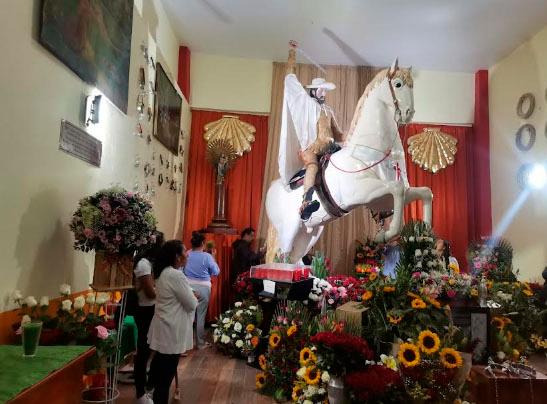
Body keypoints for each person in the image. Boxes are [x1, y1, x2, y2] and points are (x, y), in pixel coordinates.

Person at [278, 40, 344, 220]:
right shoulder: (306, 104)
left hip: (330, 147)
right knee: (313, 166)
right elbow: (291, 81)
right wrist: (292, 54)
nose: (324, 93)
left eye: (325, 91)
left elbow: (337, 133)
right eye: (321, 90)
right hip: (311, 148)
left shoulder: (328, 110)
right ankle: (306, 200)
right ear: (314, 91)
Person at [147, 240, 198, 404]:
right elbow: (190, 303)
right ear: (177, 257)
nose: (187, 254)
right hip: (171, 330)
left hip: (164, 325)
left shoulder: (164, 272)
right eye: (184, 251)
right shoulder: (175, 275)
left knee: (160, 367)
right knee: (165, 376)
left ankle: (151, 393)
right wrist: (194, 297)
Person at [134, 232, 164, 403]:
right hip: (145, 311)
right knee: (144, 351)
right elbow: (150, 292)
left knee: (154, 348)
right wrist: (164, 292)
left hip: (151, 309)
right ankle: (140, 392)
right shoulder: (143, 264)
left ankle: (149, 385)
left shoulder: (149, 263)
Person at [183, 231, 220, 349]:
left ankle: (185, 344)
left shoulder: (187, 253)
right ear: (203, 243)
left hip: (188, 287)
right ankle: (200, 343)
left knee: (188, 316)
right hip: (203, 288)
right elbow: (216, 272)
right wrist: (213, 257)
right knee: (201, 316)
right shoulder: (207, 256)